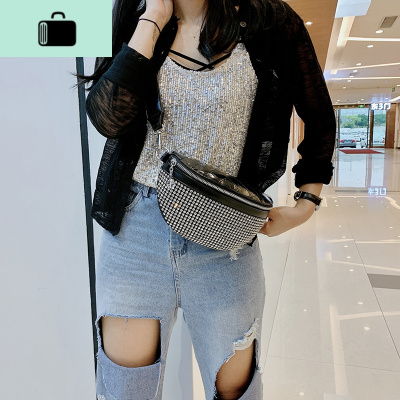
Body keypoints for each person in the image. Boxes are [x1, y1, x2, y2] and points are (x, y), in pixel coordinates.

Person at [74, 0, 336, 398]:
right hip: (135, 236)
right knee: (124, 391)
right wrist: (154, 16)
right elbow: (108, 117)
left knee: (236, 393)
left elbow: (318, 115)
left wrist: (306, 203)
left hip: (225, 239)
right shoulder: (135, 14)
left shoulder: (271, 21)